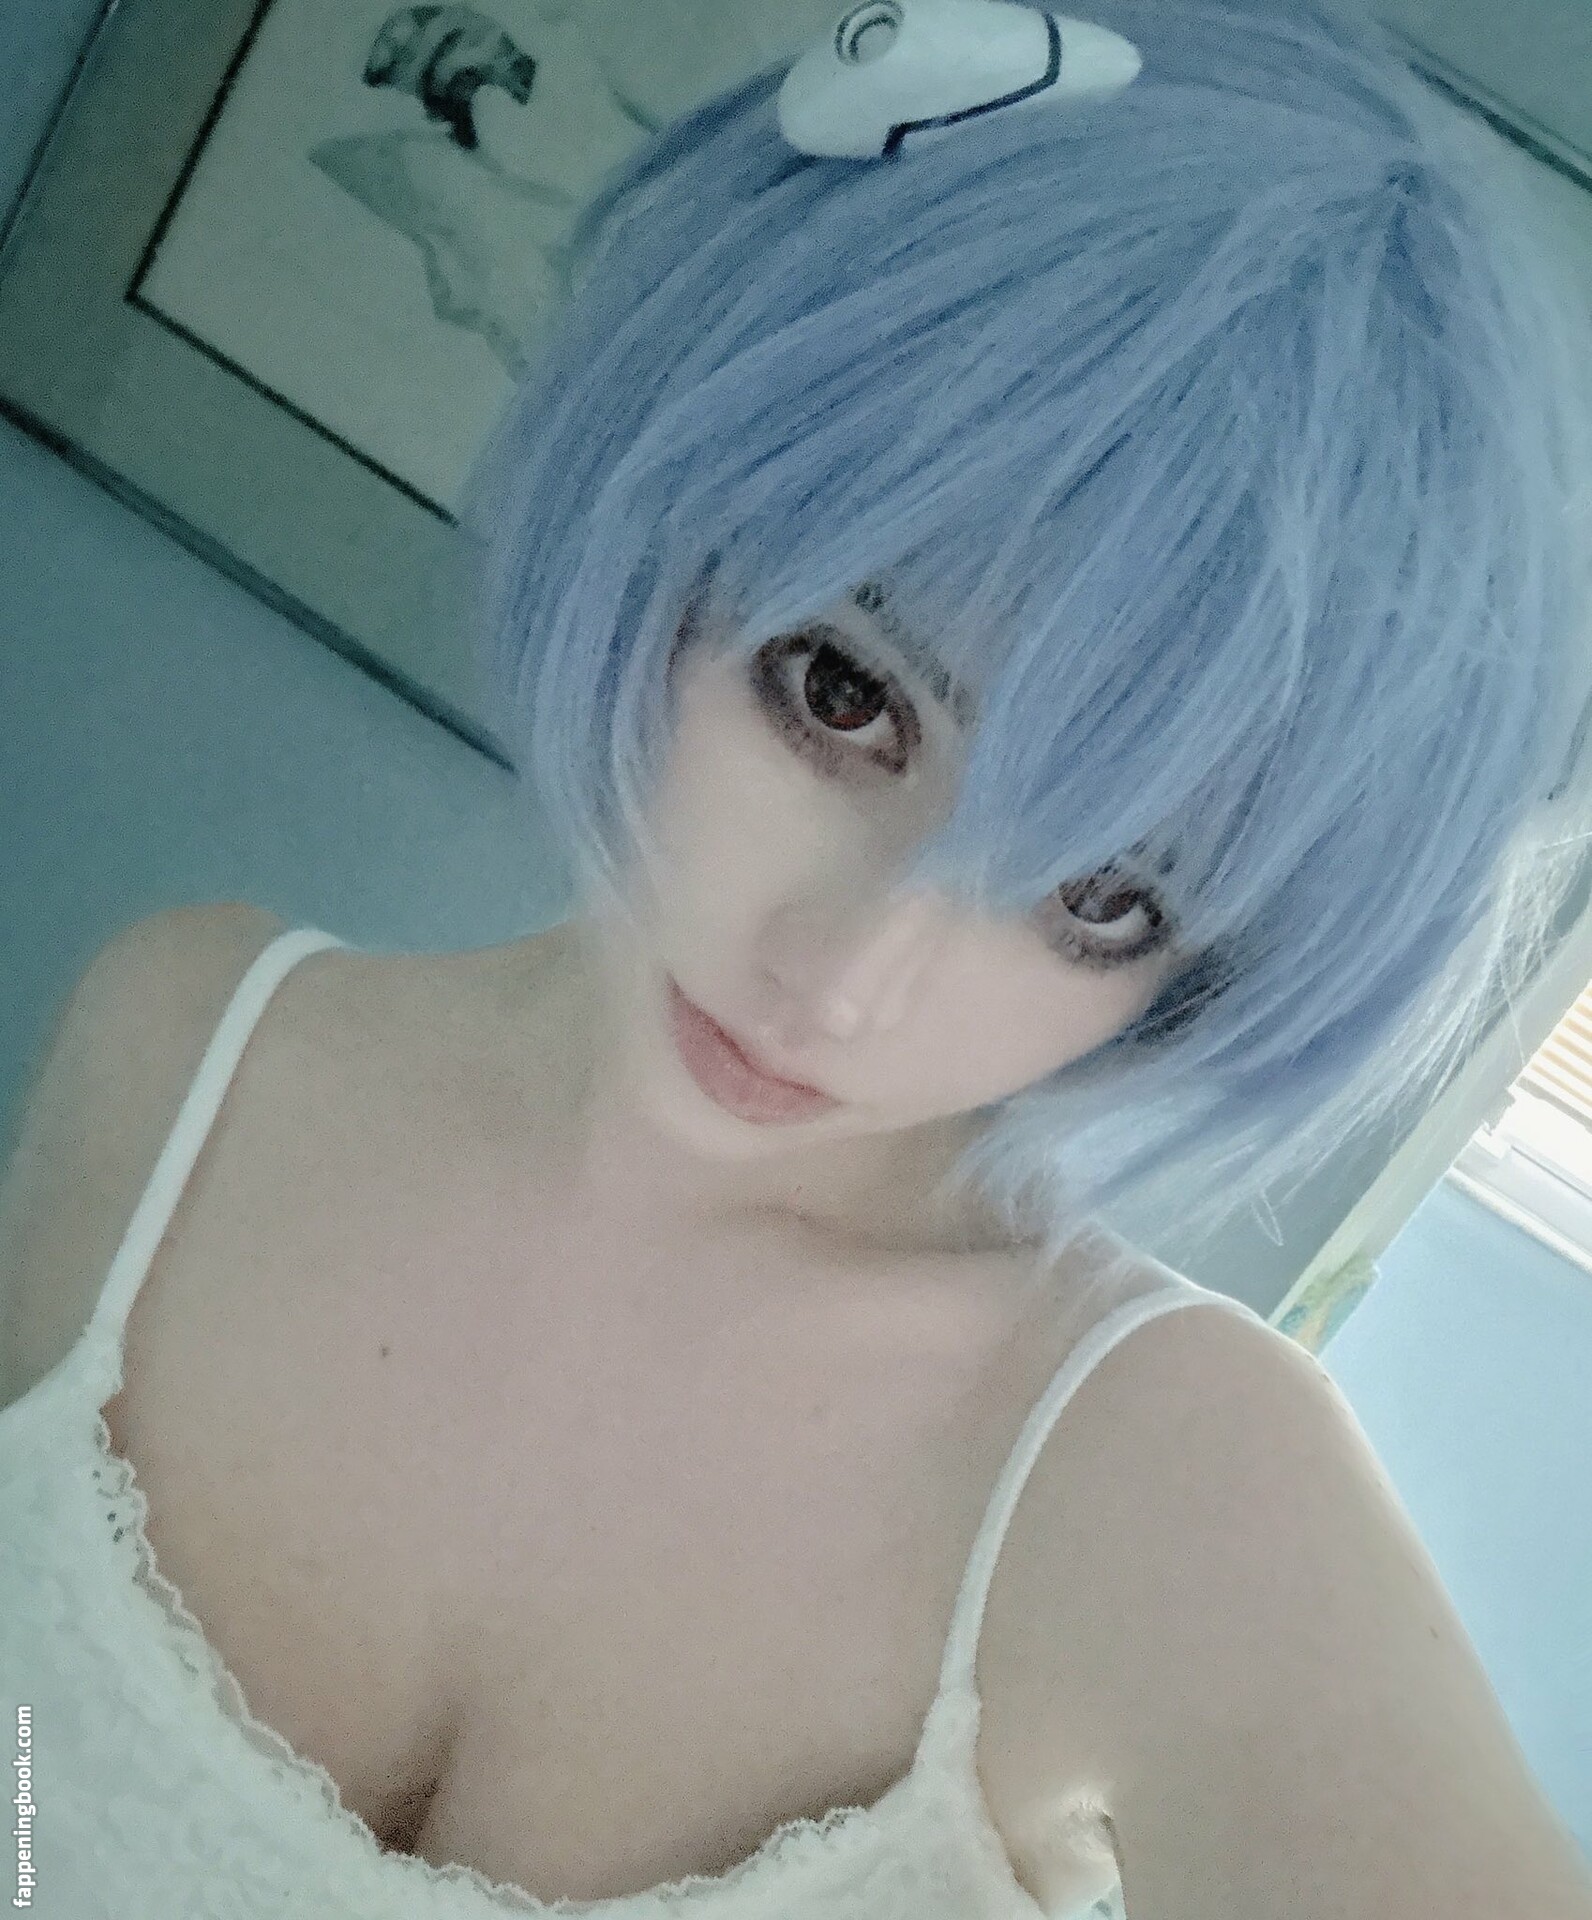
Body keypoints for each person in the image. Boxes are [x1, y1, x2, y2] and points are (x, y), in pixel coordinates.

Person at [3, 2, 1592, 1916]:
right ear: (672, 491)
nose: (847, 983)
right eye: (843, 694)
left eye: (1103, 894)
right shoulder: (182, 1049)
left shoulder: (1166, 1487)